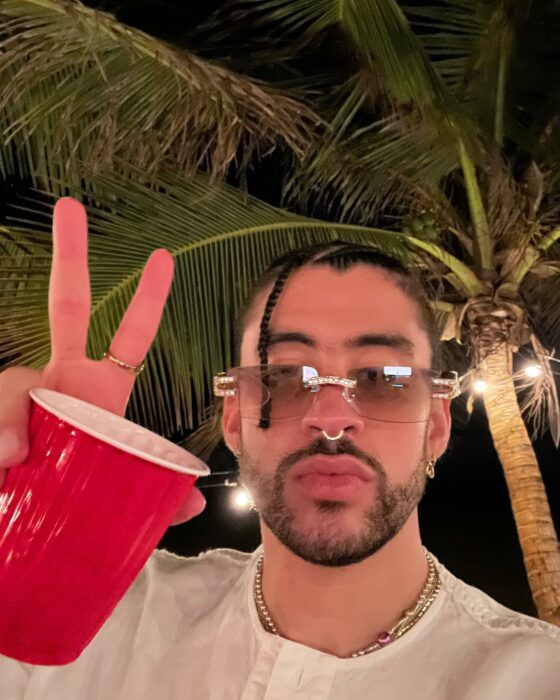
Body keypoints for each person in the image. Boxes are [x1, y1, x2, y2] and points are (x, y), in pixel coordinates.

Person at [0, 197, 558, 700]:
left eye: (382, 380)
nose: (333, 419)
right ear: (234, 421)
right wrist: (40, 498)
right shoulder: (91, 625)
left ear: (435, 426)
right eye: (287, 376)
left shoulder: (531, 677)